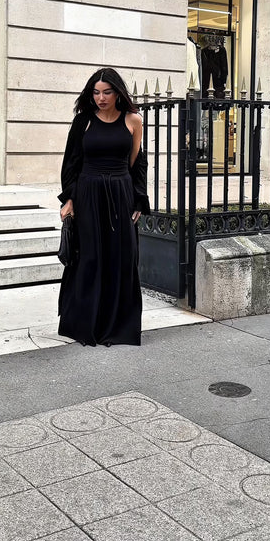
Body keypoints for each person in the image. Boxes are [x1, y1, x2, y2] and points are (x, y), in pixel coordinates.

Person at [58, 67, 150, 347]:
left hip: (120, 194)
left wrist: (138, 199)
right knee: (89, 258)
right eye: (96, 92)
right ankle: (87, 326)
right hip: (88, 194)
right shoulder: (83, 121)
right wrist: (69, 199)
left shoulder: (134, 120)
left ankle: (116, 328)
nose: (101, 98)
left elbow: (137, 163)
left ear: (118, 92)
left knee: (121, 258)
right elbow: (71, 162)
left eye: (107, 92)